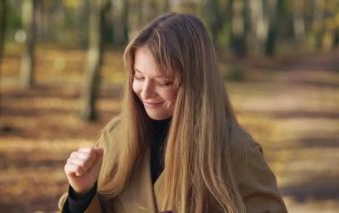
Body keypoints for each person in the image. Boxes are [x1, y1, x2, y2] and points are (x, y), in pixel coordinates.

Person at [58, 13, 287, 213]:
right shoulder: (115, 136)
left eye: (164, 82)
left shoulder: (235, 150)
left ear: (194, 83)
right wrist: (82, 195)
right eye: (138, 77)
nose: (145, 92)